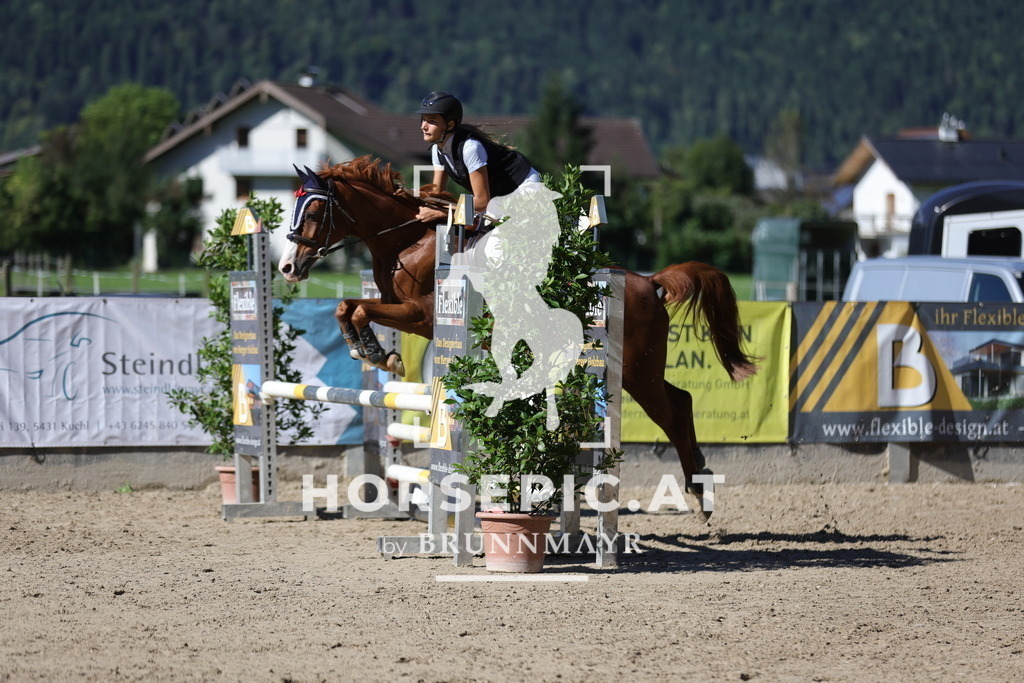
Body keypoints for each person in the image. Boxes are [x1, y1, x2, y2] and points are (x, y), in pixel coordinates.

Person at [414, 91, 542, 227]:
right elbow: (437, 194)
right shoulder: (437, 150)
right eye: (424, 119)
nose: (423, 126)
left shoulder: (470, 148)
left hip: (523, 188)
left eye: (432, 121)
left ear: (450, 125)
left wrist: (443, 212)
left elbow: (482, 202)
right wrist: (408, 195)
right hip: (499, 198)